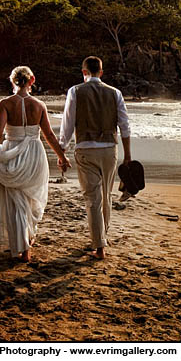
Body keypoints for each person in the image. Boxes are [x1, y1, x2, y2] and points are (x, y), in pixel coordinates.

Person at [0, 66, 71, 263]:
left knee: (15, 202)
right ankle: (26, 243)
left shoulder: (5, 104)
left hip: (11, 152)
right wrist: (62, 157)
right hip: (34, 153)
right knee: (30, 200)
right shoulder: (39, 105)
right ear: (32, 81)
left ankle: (22, 246)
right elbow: (49, 135)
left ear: (13, 81)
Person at [59, 56, 131, 260]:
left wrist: (62, 150)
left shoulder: (75, 91)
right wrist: (128, 156)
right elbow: (125, 126)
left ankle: (99, 245)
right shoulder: (115, 93)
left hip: (85, 149)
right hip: (110, 149)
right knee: (106, 196)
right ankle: (102, 238)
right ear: (101, 72)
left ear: (83, 73)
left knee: (92, 198)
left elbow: (68, 123)